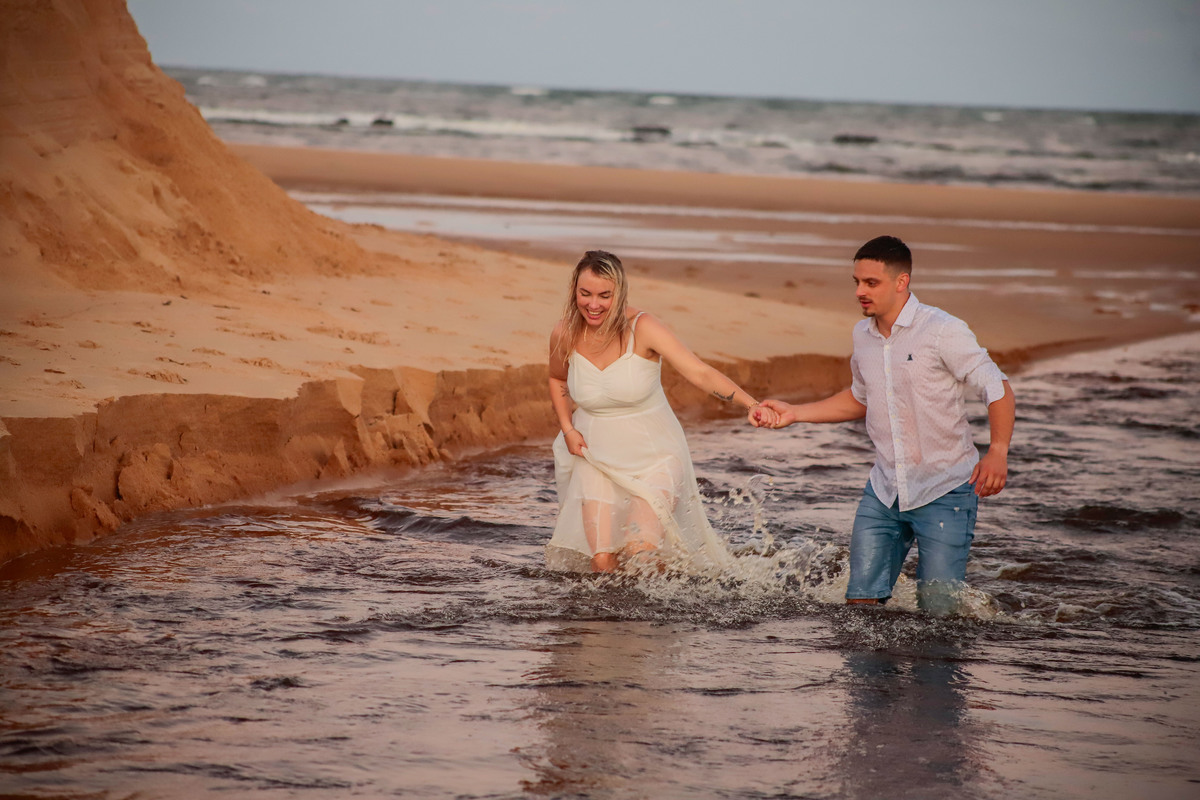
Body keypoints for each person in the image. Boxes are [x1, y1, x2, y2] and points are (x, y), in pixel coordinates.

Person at [759, 236, 1015, 614]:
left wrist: (997, 452)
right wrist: (795, 412)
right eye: (857, 282)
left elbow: (996, 387)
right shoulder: (862, 336)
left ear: (901, 281)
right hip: (884, 491)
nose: (860, 292)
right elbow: (859, 398)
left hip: (946, 489)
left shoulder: (943, 330)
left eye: (871, 283)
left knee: (939, 614)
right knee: (859, 605)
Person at [546, 250, 777, 573]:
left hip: (656, 457)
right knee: (601, 560)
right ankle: (605, 625)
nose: (593, 305)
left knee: (641, 553)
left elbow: (698, 371)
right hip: (594, 456)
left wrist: (750, 403)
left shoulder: (643, 327)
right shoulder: (565, 332)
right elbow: (557, 378)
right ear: (574, 290)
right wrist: (567, 428)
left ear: (620, 293)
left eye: (604, 295)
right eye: (585, 294)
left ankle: (653, 622)